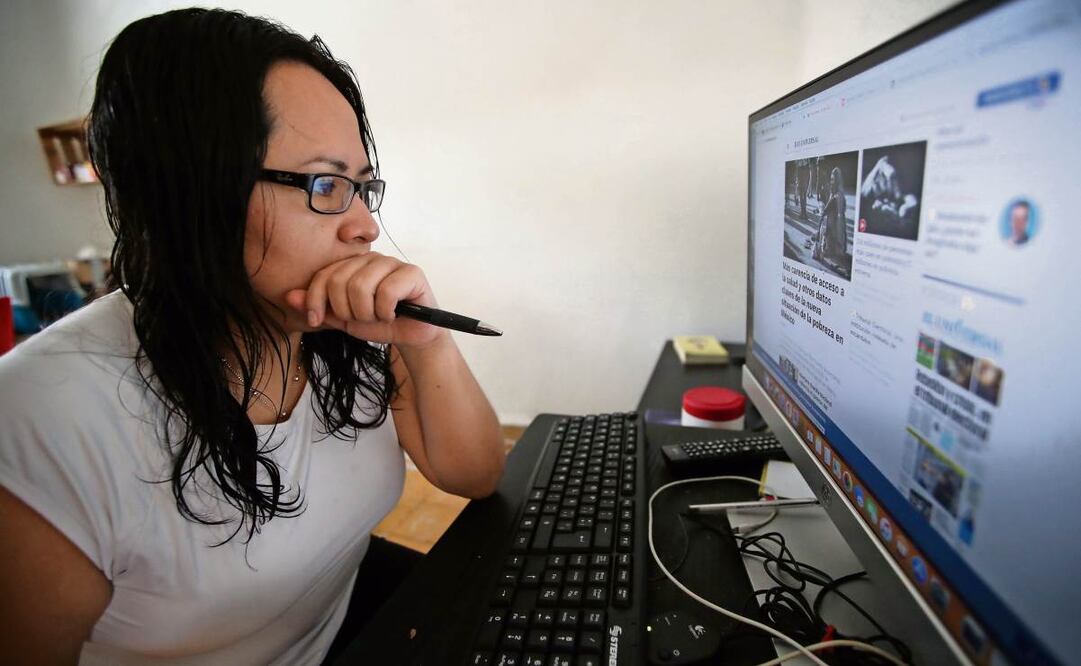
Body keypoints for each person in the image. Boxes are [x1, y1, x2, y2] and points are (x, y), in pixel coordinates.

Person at [0, 8, 505, 665]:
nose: (363, 227)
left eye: (361, 187)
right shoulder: (44, 417)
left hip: (343, 617)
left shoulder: (348, 324)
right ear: (191, 190)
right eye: (324, 184)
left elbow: (474, 473)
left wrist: (427, 339)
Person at [814, 166, 848, 267]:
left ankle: (831, 248)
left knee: (826, 224)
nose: (831, 181)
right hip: (833, 223)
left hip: (836, 226)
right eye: (831, 179)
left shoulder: (838, 195)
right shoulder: (835, 192)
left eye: (833, 179)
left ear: (837, 180)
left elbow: (831, 210)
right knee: (825, 224)